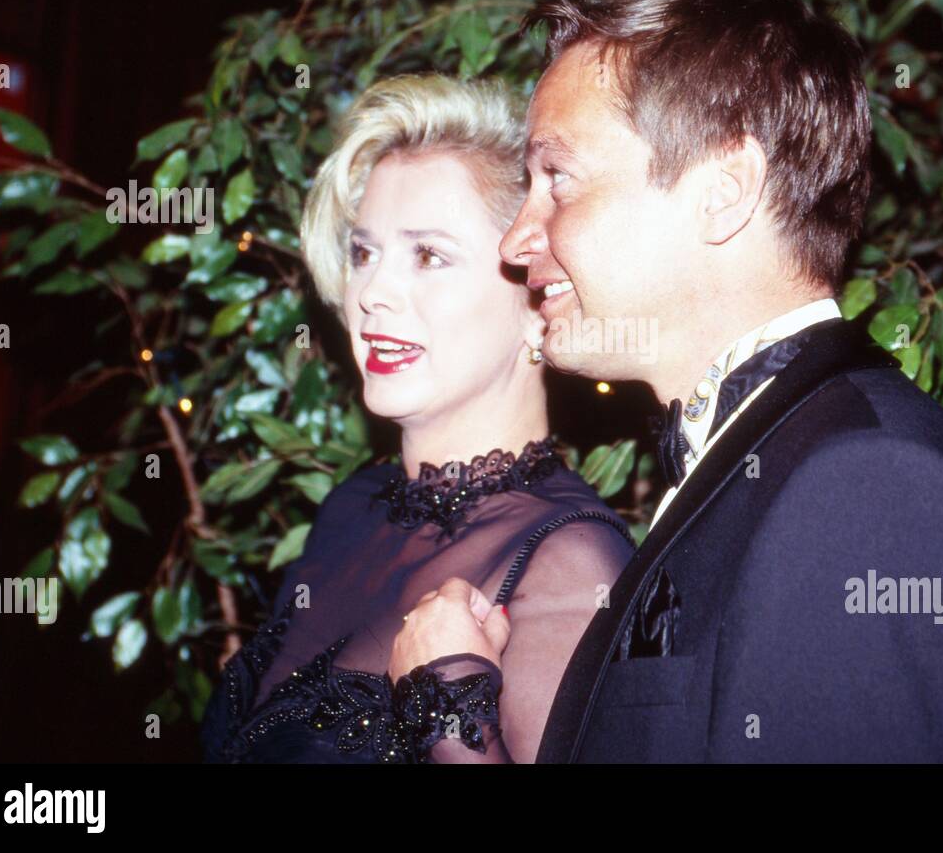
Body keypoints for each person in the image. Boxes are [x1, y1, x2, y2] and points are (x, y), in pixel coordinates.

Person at [397, 0, 943, 762]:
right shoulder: (771, 457)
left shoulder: (871, 486)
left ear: (723, 191)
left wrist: (447, 712)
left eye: (556, 179)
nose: (517, 240)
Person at [200, 74, 634, 763]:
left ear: (537, 299)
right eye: (364, 253)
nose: (373, 292)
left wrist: (445, 688)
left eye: (428, 254)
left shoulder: (569, 562)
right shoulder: (352, 508)